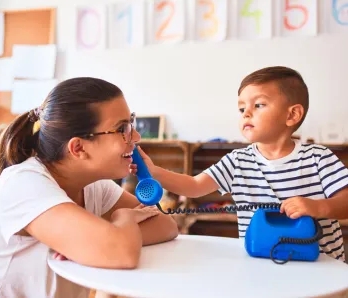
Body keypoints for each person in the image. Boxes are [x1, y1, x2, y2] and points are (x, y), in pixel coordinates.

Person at [0, 77, 179, 298]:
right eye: (122, 129)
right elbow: (122, 252)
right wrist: (124, 218)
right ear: (78, 148)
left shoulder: (94, 186)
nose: (136, 136)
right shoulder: (24, 183)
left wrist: (103, 241)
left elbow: (165, 225)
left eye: (131, 123)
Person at [132, 66, 348, 262]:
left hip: (321, 268)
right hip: (261, 263)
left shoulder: (318, 157)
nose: (247, 113)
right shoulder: (237, 160)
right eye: (241, 108)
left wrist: (319, 207)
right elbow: (194, 186)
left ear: (292, 114)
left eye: (259, 105)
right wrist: (154, 172)